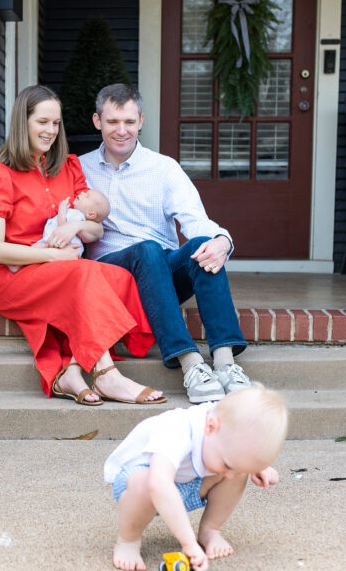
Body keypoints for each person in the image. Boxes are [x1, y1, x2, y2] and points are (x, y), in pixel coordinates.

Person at [0, 85, 166, 406]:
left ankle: (72, 371)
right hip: (12, 277)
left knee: (116, 277)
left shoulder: (68, 167)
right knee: (83, 275)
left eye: (56, 123)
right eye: (43, 122)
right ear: (23, 122)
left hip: (59, 271)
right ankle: (107, 376)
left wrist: (78, 225)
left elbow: (95, 229)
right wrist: (52, 256)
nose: (51, 131)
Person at [80, 83, 250, 404]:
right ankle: (190, 362)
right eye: (113, 121)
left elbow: (194, 219)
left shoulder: (163, 168)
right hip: (111, 277)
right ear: (97, 121)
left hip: (160, 275)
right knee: (148, 249)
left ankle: (226, 364)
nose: (122, 130)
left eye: (129, 122)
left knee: (202, 243)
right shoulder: (79, 168)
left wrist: (222, 240)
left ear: (141, 121)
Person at [104, 385, 287, 571]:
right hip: (139, 485)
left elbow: (242, 441)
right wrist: (188, 544)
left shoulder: (224, 426)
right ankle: (128, 540)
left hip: (184, 485)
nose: (230, 473)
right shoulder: (177, 428)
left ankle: (210, 530)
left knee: (235, 472)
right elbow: (158, 484)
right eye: (228, 464)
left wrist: (251, 467)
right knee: (145, 483)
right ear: (210, 427)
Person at [7, 188, 110, 271]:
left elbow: (63, 226)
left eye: (87, 196)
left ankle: (16, 264)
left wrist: (62, 209)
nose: (82, 193)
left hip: (60, 244)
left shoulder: (77, 215)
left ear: (90, 214)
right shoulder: (79, 217)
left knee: (36, 247)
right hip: (63, 246)